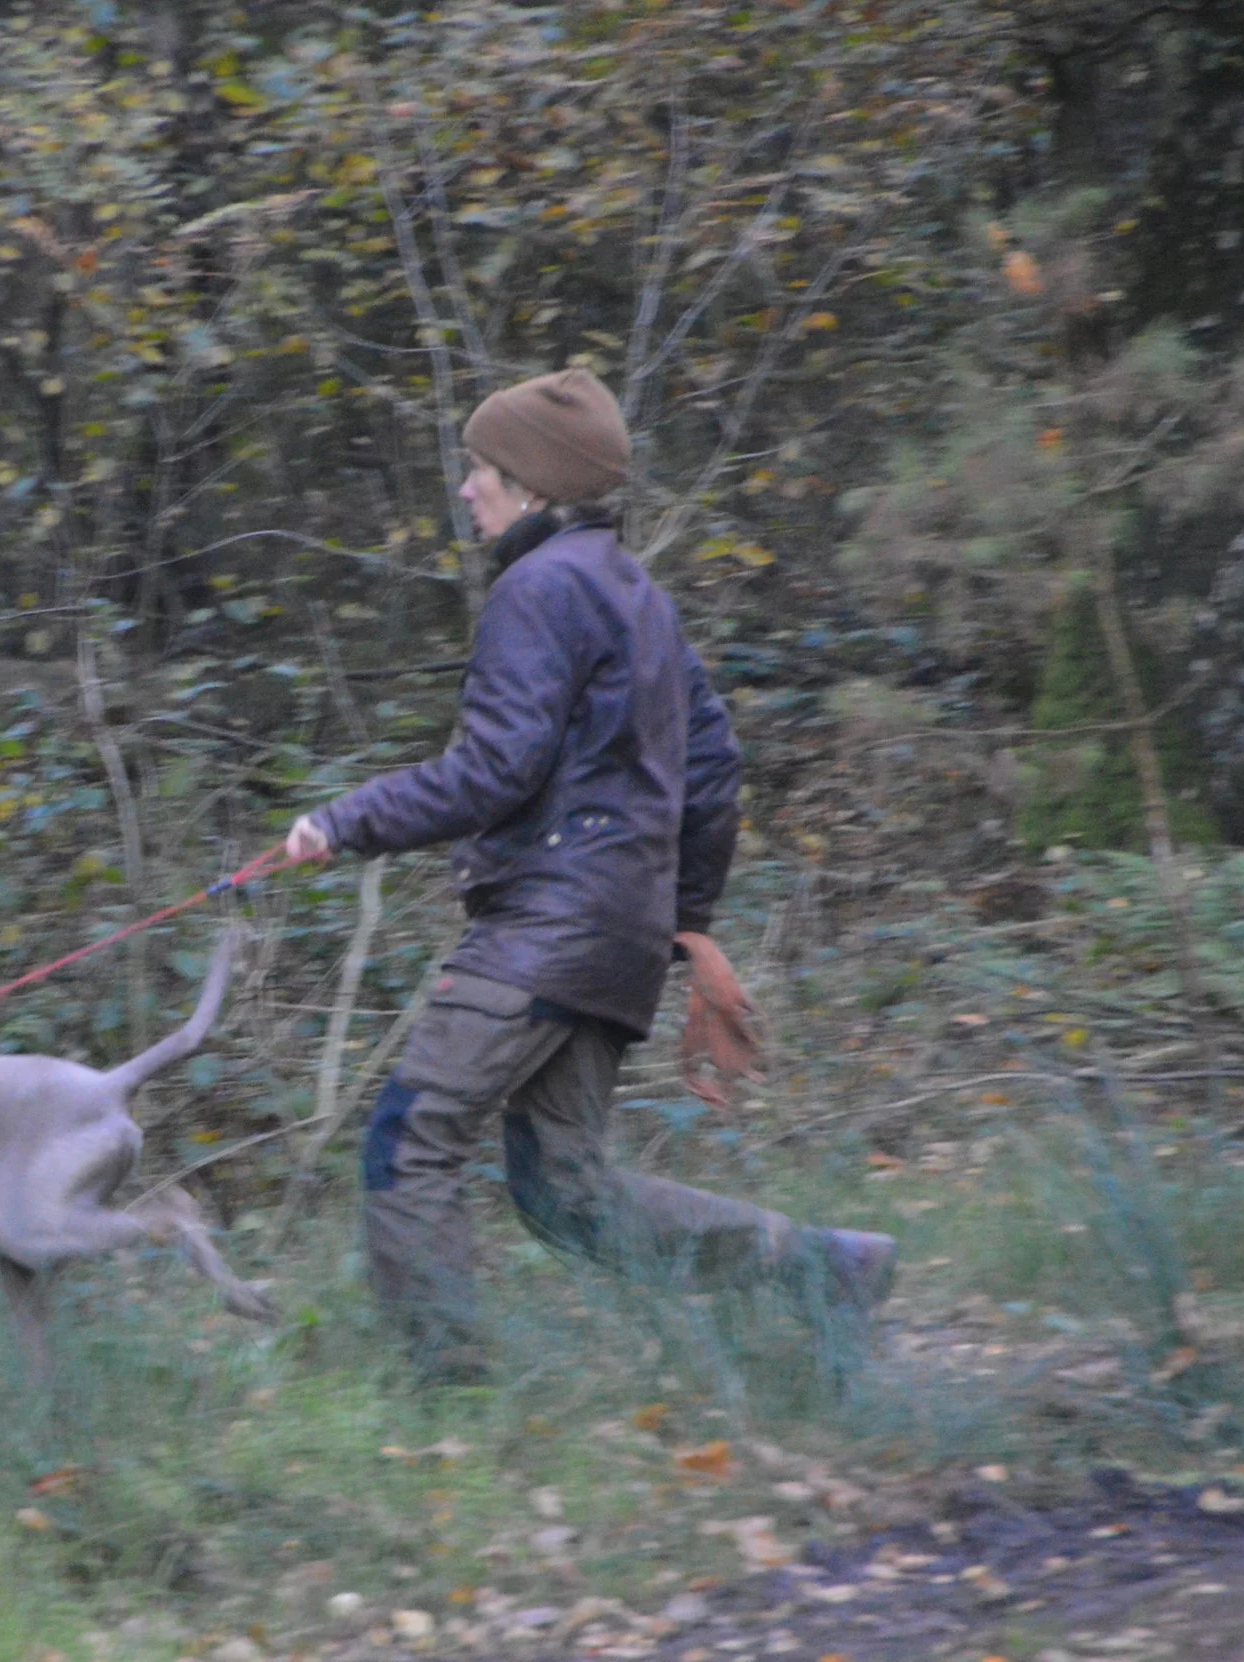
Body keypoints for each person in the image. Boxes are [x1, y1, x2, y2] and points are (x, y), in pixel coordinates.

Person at [283, 366, 895, 1382]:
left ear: (532, 484)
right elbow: (714, 766)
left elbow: (495, 769)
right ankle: (826, 1268)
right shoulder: (636, 592)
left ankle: (447, 1395)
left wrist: (345, 821)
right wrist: (676, 918)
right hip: (611, 937)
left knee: (411, 1139)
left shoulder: (537, 588)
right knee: (564, 1194)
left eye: (480, 468)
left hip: (546, 929)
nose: (466, 488)